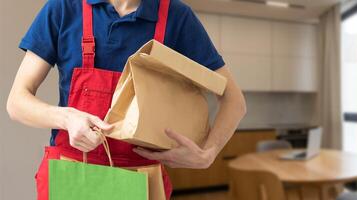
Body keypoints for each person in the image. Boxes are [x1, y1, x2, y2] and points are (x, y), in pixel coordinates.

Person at [6, 0, 247, 199]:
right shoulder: (63, 8)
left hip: (141, 182)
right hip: (70, 175)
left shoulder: (176, 17)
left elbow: (234, 101)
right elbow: (17, 101)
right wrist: (67, 118)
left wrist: (209, 152)